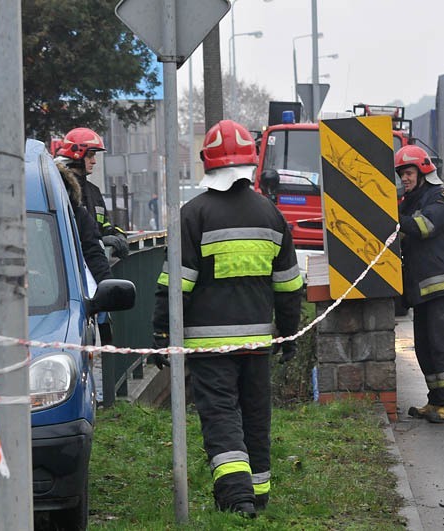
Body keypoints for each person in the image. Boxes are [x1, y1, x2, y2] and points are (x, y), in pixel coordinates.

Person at [151, 120, 303, 517]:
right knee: (255, 417)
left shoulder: (193, 214)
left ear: (208, 162)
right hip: (257, 344)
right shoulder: (270, 214)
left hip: (209, 346)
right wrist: (289, 336)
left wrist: (162, 332)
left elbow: (175, 284)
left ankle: (237, 499)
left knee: (221, 416)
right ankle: (259, 494)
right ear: (251, 162)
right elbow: (288, 286)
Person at [395, 145, 444, 423]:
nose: (405, 179)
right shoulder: (410, 200)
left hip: (439, 287)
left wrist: (394, 219)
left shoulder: (440, 197)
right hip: (420, 290)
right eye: (402, 174)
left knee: (443, 344)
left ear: (424, 171)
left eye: (409, 172)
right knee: (424, 347)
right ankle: (436, 400)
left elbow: (423, 227)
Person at [54, 127, 129, 260]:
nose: (94, 161)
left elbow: (105, 225)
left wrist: (118, 235)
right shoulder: (61, 189)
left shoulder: (94, 191)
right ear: (76, 155)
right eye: (90, 156)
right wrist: (100, 240)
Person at [57, 161, 112, 287]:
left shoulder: (80, 211)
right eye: (90, 155)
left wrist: (109, 290)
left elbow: (94, 254)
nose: (94, 161)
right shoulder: (77, 212)